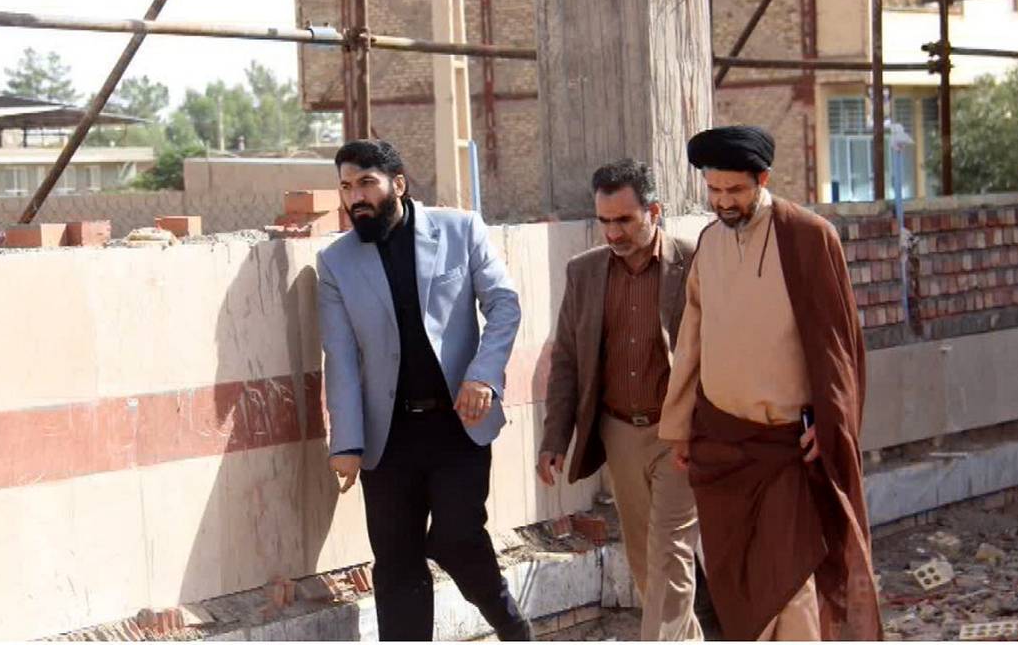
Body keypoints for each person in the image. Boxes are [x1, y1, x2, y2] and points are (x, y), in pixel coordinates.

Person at [657, 125, 882, 641]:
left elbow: (838, 345)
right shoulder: (709, 244)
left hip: (787, 448)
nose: (723, 201)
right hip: (722, 448)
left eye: (735, 190)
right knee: (741, 585)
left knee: (789, 579)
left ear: (763, 179)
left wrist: (832, 423)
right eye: (714, 189)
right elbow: (691, 341)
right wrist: (679, 428)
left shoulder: (807, 236)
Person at [316, 139, 532, 641]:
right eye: (346, 187)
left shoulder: (460, 230)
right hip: (387, 438)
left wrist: (483, 375)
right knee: (396, 564)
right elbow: (340, 357)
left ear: (398, 184)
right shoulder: (336, 263)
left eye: (366, 183)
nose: (356, 197)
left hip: (458, 425)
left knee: (458, 538)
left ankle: (513, 628)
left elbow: (504, 304)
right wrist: (346, 443)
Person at [537, 159, 706, 641]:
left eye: (624, 220)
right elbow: (567, 359)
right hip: (618, 434)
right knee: (645, 560)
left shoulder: (694, 262)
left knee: (670, 553)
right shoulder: (584, 273)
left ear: (654, 211)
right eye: (604, 221)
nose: (613, 232)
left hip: (680, 434)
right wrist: (555, 438)